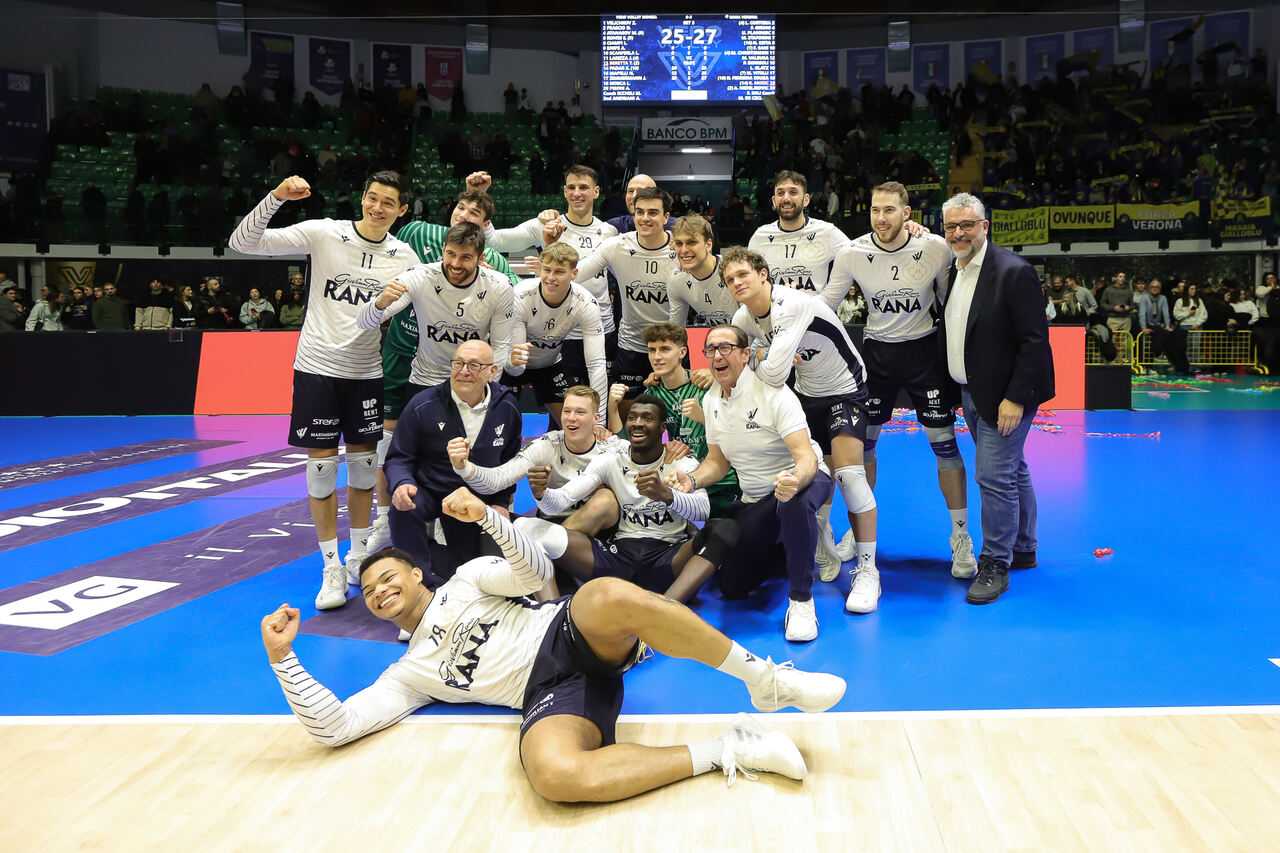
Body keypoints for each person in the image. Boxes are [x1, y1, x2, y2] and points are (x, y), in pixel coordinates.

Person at [262, 490, 847, 802]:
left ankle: (765, 680)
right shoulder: (407, 675)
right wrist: (284, 659)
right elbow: (336, 727)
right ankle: (730, 750)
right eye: (368, 591)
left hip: (565, 628)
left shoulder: (465, 580)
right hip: (550, 690)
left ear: (416, 575)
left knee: (603, 593)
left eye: (388, 578)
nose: (380, 592)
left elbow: (532, 572)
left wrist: (489, 521)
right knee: (554, 776)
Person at [228, 170, 421, 611]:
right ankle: (331, 566)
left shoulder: (405, 256)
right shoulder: (325, 233)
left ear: (401, 210)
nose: (377, 208)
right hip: (317, 368)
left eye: (388, 202)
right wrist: (277, 196)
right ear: (362, 197)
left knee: (363, 472)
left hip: (366, 371)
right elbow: (243, 242)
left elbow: (397, 307)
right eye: (372, 198)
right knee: (321, 471)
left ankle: (359, 558)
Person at [827, 181, 976, 586]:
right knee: (862, 449)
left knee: (945, 446)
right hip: (876, 357)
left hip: (925, 356)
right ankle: (857, 530)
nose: (881, 218)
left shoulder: (935, 248)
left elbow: (949, 302)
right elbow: (826, 304)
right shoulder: (853, 253)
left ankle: (961, 537)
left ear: (907, 213)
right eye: (875, 210)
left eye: (889, 210)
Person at [726, 246, 877, 617]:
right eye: (730, 279)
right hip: (806, 394)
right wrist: (765, 354)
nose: (737, 283)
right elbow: (739, 364)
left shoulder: (791, 304)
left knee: (849, 475)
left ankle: (868, 571)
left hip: (844, 388)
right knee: (811, 476)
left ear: (763, 274)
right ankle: (822, 540)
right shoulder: (743, 317)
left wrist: (763, 357)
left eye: (743, 274)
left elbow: (776, 375)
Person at [674, 322, 835, 642]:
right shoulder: (711, 401)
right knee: (732, 587)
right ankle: (798, 539)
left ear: (746, 354)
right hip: (756, 502)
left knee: (793, 501)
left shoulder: (774, 393)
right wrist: (690, 481)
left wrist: (794, 479)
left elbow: (806, 457)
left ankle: (801, 601)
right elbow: (717, 463)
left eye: (725, 348)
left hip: (803, 480)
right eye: (710, 350)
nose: (717, 356)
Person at [938, 192, 1054, 605]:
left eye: (967, 225)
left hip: (1005, 397)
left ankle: (995, 563)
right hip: (971, 391)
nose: (959, 233)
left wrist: (1016, 398)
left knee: (993, 476)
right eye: (951, 226)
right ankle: (1024, 547)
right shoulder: (954, 270)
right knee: (1012, 469)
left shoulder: (1013, 271)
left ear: (984, 226)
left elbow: (1034, 341)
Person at [524, 393, 736, 604]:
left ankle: (666, 606)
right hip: (618, 557)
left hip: (667, 556)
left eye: (647, 418)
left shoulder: (681, 461)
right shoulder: (610, 460)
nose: (638, 423)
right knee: (528, 527)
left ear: (662, 427)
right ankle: (552, 611)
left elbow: (702, 510)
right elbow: (560, 501)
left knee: (725, 528)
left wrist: (666, 495)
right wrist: (542, 493)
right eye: (632, 417)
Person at [383, 340, 522, 586]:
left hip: (475, 498)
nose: (464, 371)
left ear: (492, 372)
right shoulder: (422, 404)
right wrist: (401, 483)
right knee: (404, 507)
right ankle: (419, 582)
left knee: (474, 574)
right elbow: (398, 457)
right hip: (430, 490)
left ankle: (442, 569)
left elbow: (509, 464)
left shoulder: (508, 407)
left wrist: (500, 503)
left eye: (474, 366)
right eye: (458, 364)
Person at [454, 385, 627, 555]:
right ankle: (546, 552)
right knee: (491, 517)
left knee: (606, 500)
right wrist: (464, 467)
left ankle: (541, 554)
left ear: (596, 418)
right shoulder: (546, 445)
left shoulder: (613, 449)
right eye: (566, 411)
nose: (571, 418)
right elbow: (497, 480)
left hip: (594, 533)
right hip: (550, 524)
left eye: (580, 412)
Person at [478, 166, 620, 367]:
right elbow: (495, 241)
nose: (577, 193)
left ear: (596, 192)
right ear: (564, 191)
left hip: (603, 327)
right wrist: (480, 195)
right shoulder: (545, 225)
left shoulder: (609, 232)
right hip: (561, 334)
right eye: (571, 188)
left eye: (583, 187)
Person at [610, 323, 740, 518]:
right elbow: (628, 445)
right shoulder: (652, 394)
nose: (657, 357)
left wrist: (704, 419)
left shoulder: (706, 384)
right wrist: (612, 407)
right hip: (680, 484)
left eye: (665, 349)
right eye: (652, 350)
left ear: (682, 352)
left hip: (721, 484)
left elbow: (739, 434)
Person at [572, 187, 679, 416]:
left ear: (666, 217)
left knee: (676, 420)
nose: (645, 218)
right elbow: (575, 273)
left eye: (653, 212)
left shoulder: (680, 249)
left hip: (671, 348)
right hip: (631, 346)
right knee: (628, 420)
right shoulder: (617, 246)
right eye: (640, 212)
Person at [504, 243, 608, 426]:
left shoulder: (586, 303)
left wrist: (599, 423)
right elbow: (516, 368)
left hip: (550, 364)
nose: (551, 278)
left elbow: (597, 364)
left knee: (575, 425)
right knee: (502, 425)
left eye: (559, 272)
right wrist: (512, 363)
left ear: (574, 274)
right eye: (546, 270)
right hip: (512, 367)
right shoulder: (520, 295)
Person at [747, 171, 848, 304]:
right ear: (774, 201)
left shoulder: (827, 232)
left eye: (793, 192)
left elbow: (855, 261)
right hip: (775, 315)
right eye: (780, 193)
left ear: (806, 200)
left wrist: (826, 300)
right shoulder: (760, 236)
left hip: (816, 315)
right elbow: (749, 281)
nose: (786, 198)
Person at [666, 214, 737, 329]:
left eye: (691, 242)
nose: (684, 250)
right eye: (679, 244)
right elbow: (676, 330)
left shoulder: (734, 271)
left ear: (708, 245)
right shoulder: (677, 280)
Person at [1138, 279, 1174, 363]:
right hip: (1146, 325)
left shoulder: (1163, 298)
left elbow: (1166, 313)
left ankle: (1161, 356)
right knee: (1145, 343)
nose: (1154, 288)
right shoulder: (1144, 298)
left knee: (1166, 335)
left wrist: (1167, 326)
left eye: (1157, 287)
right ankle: (1145, 365)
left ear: (1160, 289)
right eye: (1153, 287)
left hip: (1157, 325)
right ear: (1149, 288)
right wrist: (1143, 328)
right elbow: (1142, 314)